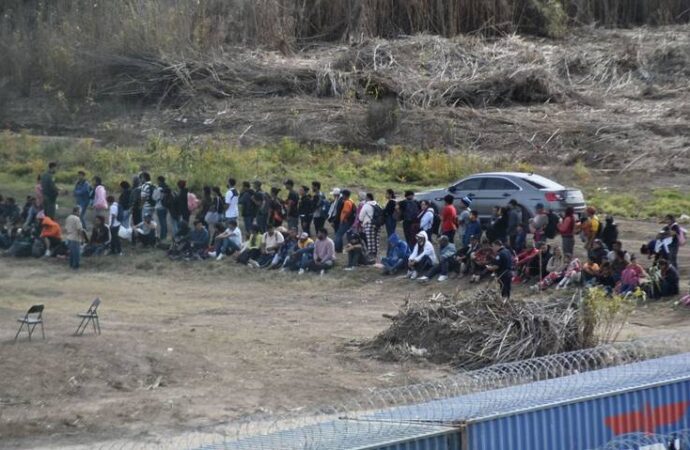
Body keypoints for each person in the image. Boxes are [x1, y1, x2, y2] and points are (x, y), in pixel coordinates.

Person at [359, 193, 380, 258]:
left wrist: (361, 221)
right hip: (377, 224)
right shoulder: (377, 204)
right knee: (376, 238)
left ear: (368, 198)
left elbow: (360, 217)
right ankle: (376, 253)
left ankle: (371, 253)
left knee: (370, 239)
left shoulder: (366, 205)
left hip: (369, 223)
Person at [153, 176, 171, 241]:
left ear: (159, 181)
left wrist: (155, 189)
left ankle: (163, 237)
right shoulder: (167, 187)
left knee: (162, 223)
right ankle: (164, 235)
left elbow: (154, 198)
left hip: (159, 206)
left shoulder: (158, 188)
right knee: (164, 222)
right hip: (166, 207)